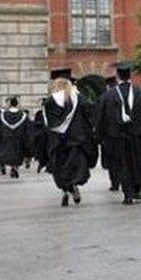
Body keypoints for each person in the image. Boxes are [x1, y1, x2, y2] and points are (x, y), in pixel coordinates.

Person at [95, 62, 141, 205]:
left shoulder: (107, 96)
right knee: (139, 164)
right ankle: (137, 190)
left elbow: (101, 119)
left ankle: (127, 194)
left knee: (122, 165)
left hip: (117, 139)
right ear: (130, 76)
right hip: (138, 138)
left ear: (117, 76)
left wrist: (101, 138)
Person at [42, 69, 99, 207]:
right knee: (76, 168)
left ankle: (65, 191)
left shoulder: (49, 102)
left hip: (57, 142)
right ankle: (73, 186)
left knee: (60, 168)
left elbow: (46, 124)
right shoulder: (77, 98)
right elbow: (91, 112)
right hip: (76, 141)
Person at [0, 97, 33, 178]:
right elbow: (28, 130)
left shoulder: (3, 115)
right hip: (19, 138)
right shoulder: (23, 115)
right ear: (17, 104)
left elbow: (0, 129)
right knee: (18, 154)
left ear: (10, 104)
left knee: (10, 154)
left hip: (7, 138)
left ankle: (12, 167)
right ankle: (16, 168)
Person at [100, 75, 121, 192]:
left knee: (112, 161)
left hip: (109, 136)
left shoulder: (104, 98)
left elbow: (100, 118)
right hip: (123, 134)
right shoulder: (124, 96)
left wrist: (99, 135)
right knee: (122, 159)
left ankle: (115, 182)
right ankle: (123, 179)